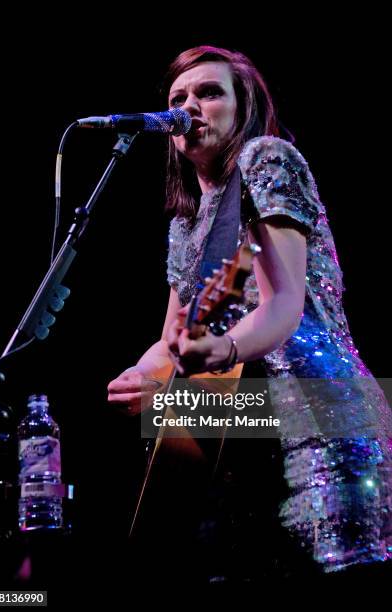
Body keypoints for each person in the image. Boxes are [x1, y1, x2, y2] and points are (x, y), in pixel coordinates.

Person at [107, 46, 392, 585]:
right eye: (177, 98)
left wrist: (226, 347)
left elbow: (282, 302)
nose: (189, 105)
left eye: (208, 92)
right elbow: (175, 335)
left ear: (244, 108)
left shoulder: (267, 158)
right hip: (246, 427)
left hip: (319, 416)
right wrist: (142, 375)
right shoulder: (187, 226)